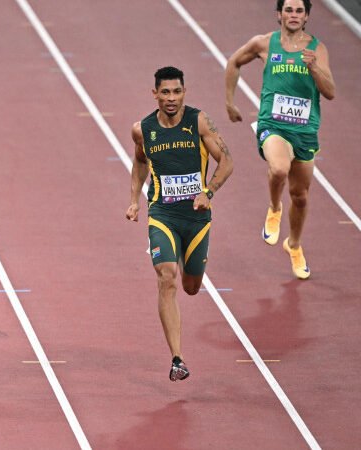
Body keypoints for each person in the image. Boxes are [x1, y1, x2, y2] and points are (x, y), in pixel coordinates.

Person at [126, 67, 234, 381]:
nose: (171, 98)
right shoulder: (143, 129)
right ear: (155, 94)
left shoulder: (199, 122)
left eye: (176, 92)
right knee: (166, 278)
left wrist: (208, 192)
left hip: (197, 217)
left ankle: (188, 258)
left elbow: (226, 161)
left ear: (184, 92)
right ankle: (177, 359)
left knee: (190, 287)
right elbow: (140, 162)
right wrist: (134, 200)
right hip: (162, 214)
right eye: (165, 92)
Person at [225, 0, 335, 279]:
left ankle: (294, 245)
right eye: (289, 10)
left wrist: (314, 69)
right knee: (278, 169)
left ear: (306, 16)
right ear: (279, 14)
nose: (294, 15)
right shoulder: (264, 43)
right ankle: (274, 208)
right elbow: (234, 62)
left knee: (300, 196)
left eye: (299, 11)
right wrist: (229, 102)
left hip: (305, 131)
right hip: (272, 124)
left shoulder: (317, 49)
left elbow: (330, 92)